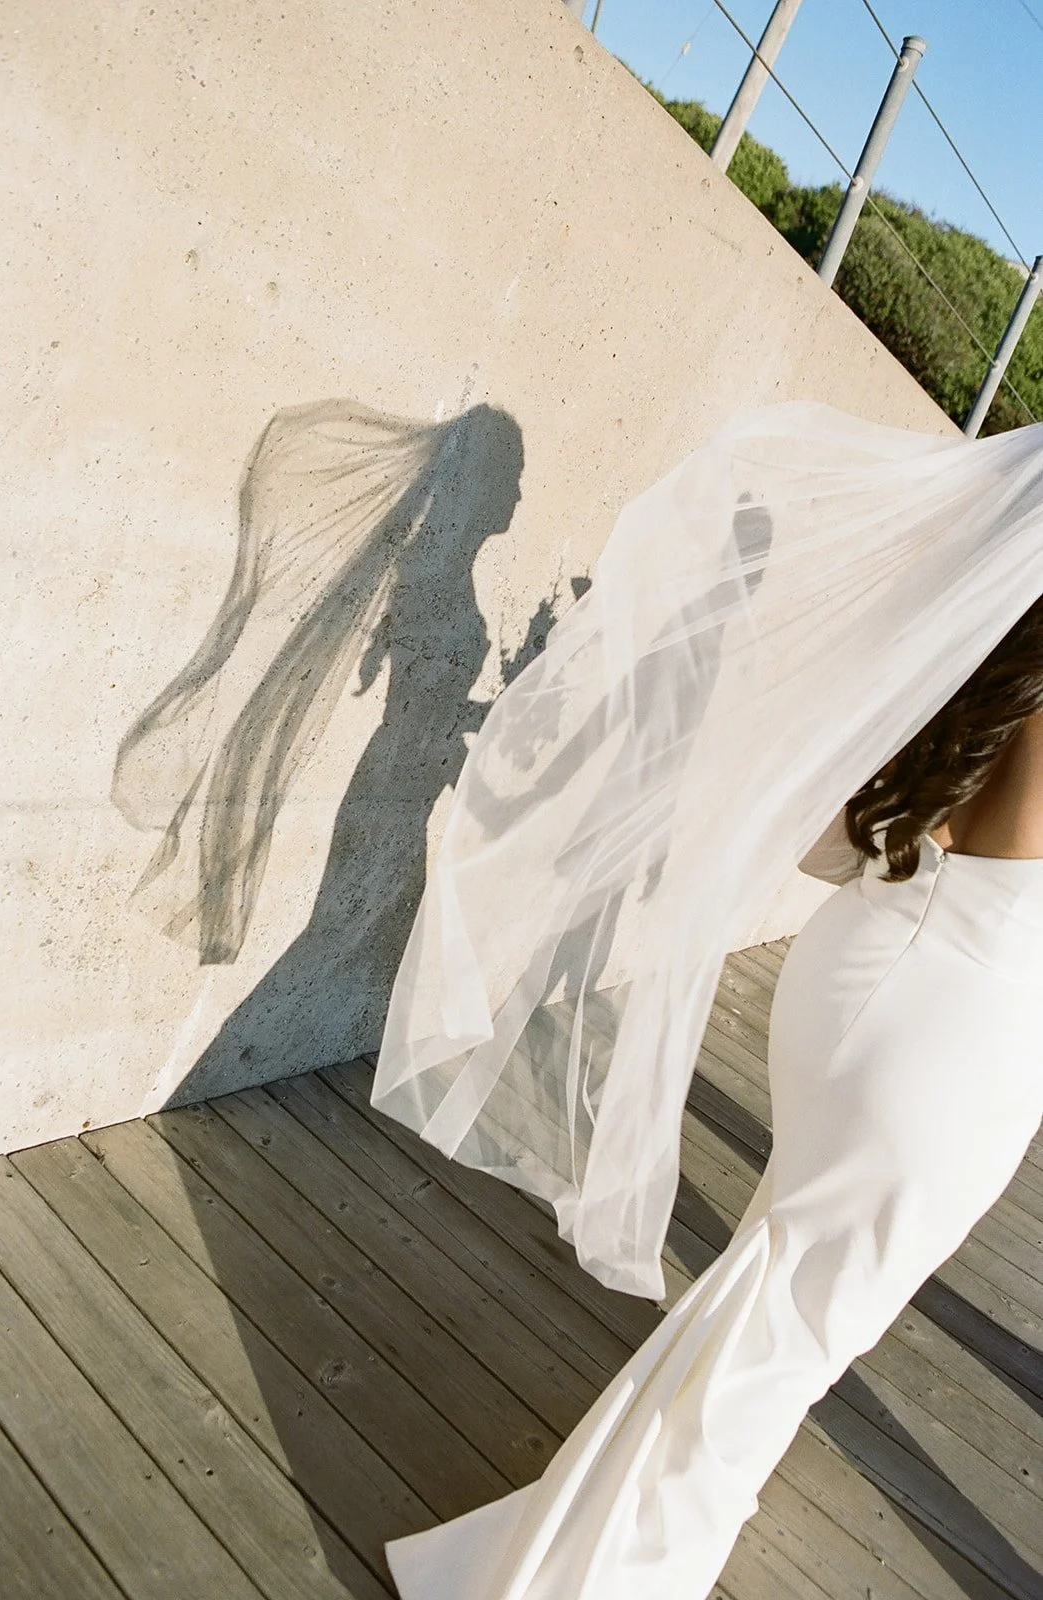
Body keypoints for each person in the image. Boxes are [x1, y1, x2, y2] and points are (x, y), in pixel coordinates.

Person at [371, 402, 1043, 1598]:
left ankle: (550, 1559)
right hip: (954, 1033)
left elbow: (846, 824)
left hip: (883, 969)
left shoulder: (987, 638)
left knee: (764, 1317)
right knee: (783, 1346)